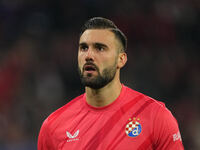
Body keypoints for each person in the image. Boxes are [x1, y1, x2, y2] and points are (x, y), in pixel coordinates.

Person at [38, 17, 184, 150]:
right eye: (83, 48)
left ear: (121, 59)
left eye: (100, 48)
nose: (89, 55)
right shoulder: (53, 126)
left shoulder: (155, 117)